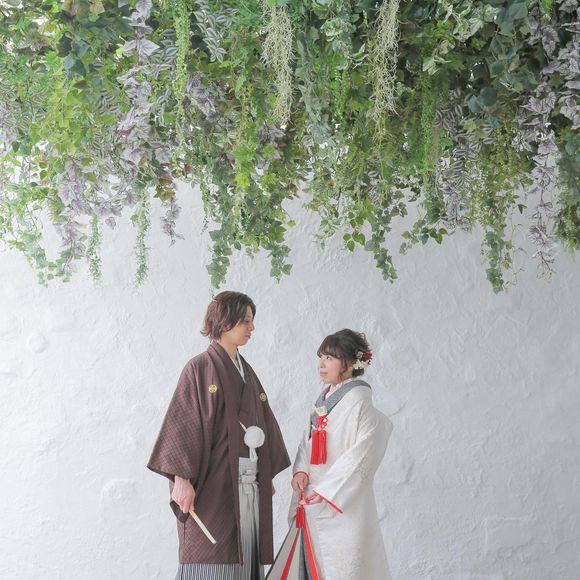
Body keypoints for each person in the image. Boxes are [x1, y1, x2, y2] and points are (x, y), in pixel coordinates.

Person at [148, 291, 290, 580]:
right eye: (246, 321)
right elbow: (184, 422)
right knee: (211, 550)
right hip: (214, 482)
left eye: (251, 321)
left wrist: (265, 473)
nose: (252, 328)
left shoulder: (247, 372)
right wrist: (181, 479)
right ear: (226, 322)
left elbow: (263, 422)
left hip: (248, 484)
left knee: (247, 551)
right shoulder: (200, 367)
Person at [290, 329, 393, 580]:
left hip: (340, 497)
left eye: (329, 358)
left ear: (349, 363)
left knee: (343, 566)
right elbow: (308, 441)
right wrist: (301, 469)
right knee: (312, 562)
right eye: (321, 357)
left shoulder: (358, 400)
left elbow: (362, 453)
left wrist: (327, 490)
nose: (321, 364)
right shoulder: (323, 399)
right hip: (312, 493)